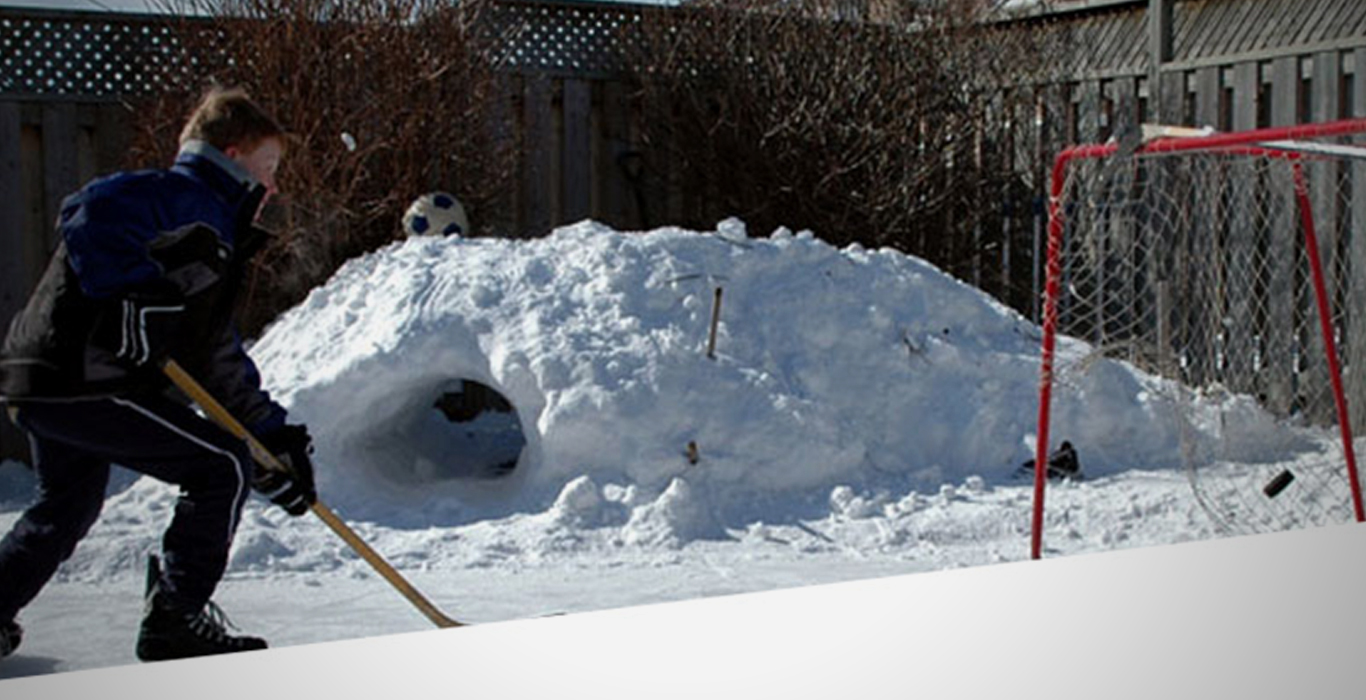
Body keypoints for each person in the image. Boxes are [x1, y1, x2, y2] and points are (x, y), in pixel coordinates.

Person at [0, 86, 316, 662]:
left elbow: (212, 354)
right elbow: (89, 209)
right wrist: (131, 291)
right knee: (220, 465)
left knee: (64, 507)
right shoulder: (186, 197)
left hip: (46, 378)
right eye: (268, 167)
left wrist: (272, 438)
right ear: (233, 153)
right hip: (82, 376)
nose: (272, 187)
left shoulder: (209, 229)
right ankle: (176, 618)